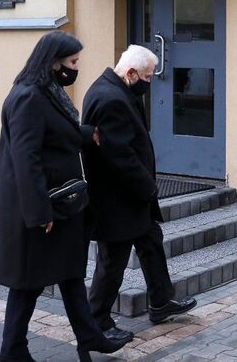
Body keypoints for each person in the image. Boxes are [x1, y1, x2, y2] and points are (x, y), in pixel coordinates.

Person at [0, 31, 131, 362]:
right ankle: (13, 351)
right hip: (39, 209)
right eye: (73, 62)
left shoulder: (47, 92)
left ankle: (89, 337)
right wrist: (40, 213)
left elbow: (53, 134)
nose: (76, 68)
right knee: (28, 284)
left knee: (69, 273)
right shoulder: (29, 97)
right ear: (54, 63)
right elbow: (26, 160)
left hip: (60, 204)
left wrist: (86, 135)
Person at [83, 45, 196, 336]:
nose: (149, 82)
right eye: (147, 77)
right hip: (118, 199)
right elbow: (118, 155)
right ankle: (97, 322)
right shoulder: (110, 98)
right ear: (131, 73)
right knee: (112, 262)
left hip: (130, 196)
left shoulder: (115, 89)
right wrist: (147, 187)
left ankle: (161, 300)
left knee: (151, 241)